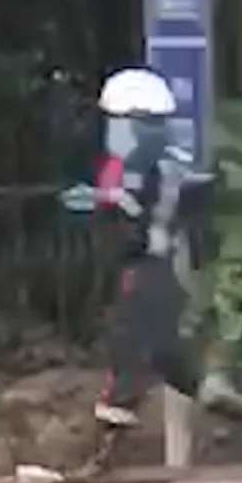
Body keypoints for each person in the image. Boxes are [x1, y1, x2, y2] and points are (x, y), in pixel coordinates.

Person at [90, 67, 197, 432]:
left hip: (148, 263)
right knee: (167, 354)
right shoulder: (168, 161)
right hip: (156, 262)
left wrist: (115, 206)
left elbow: (131, 215)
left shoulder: (138, 164)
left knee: (132, 336)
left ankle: (117, 407)